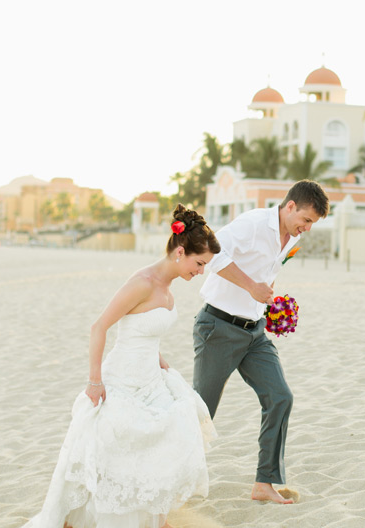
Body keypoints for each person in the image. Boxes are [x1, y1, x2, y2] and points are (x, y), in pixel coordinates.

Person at [22, 206, 220, 528]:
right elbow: (99, 327)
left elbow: (143, 330)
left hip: (151, 377)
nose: (200, 272)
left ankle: (155, 516)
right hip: (122, 379)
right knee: (117, 452)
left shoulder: (167, 287)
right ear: (180, 251)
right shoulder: (143, 282)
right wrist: (95, 382)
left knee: (176, 426)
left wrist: (160, 360)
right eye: (199, 264)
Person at [192, 179, 329, 504]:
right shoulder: (253, 223)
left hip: (254, 332)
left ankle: (264, 483)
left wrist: (271, 307)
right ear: (291, 206)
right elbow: (210, 255)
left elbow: (265, 275)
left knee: (280, 397)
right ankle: (169, 480)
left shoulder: (290, 238)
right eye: (306, 220)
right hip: (218, 328)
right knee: (202, 413)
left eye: (312, 224)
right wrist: (251, 286)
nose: (307, 228)